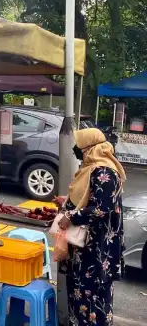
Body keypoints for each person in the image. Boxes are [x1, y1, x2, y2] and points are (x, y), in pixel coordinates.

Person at [58, 128, 125, 326]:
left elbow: (102, 209)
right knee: (80, 298)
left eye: (79, 146)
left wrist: (71, 216)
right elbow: (88, 199)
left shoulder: (103, 171)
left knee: (92, 301)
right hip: (86, 248)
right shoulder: (92, 168)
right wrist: (68, 203)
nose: (76, 150)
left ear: (90, 147)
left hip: (96, 250)